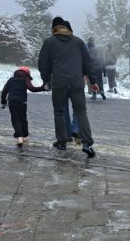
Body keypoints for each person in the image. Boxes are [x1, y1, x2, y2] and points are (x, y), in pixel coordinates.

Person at [38, 17, 99, 158]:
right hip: (77, 82)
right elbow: (88, 63)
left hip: (59, 83)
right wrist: (93, 81)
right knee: (81, 112)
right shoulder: (78, 42)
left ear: (54, 29)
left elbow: (43, 64)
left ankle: (62, 142)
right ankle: (87, 144)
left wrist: (46, 80)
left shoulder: (49, 42)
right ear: (68, 29)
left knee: (60, 111)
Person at [0, 66, 46, 148]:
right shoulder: (25, 78)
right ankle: (24, 136)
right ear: (27, 73)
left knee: (15, 119)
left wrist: (4, 101)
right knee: (23, 118)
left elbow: (4, 91)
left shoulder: (11, 80)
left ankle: (19, 138)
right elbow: (32, 88)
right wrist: (43, 88)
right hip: (22, 102)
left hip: (12, 102)